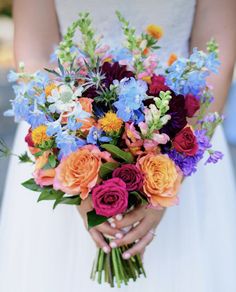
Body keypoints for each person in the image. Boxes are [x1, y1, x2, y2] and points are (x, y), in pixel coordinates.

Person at [0, 0, 236, 291]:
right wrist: (75, 175)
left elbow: (217, 65)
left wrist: (168, 177)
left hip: (179, 128)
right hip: (66, 129)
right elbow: (34, 59)